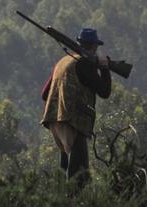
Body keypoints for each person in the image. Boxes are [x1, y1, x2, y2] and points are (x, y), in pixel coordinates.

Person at [40, 27, 112, 186]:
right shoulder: (84, 64)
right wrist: (105, 68)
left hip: (55, 122)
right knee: (79, 177)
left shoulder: (63, 61)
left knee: (66, 171)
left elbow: (45, 94)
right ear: (93, 46)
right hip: (74, 122)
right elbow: (105, 92)